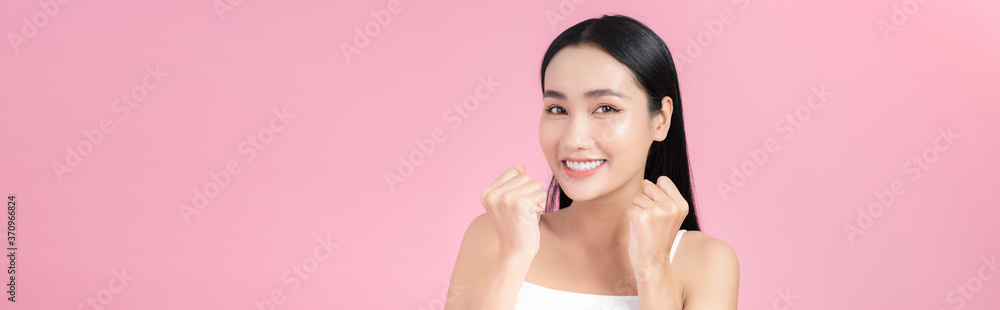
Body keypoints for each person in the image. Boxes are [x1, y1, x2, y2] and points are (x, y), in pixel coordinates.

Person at [446, 14, 739, 310]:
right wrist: (513, 257)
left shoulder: (706, 263)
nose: (573, 139)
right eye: (557, 108)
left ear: (660, 120)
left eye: (606, 108)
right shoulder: (492, 237)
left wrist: (653, 268)